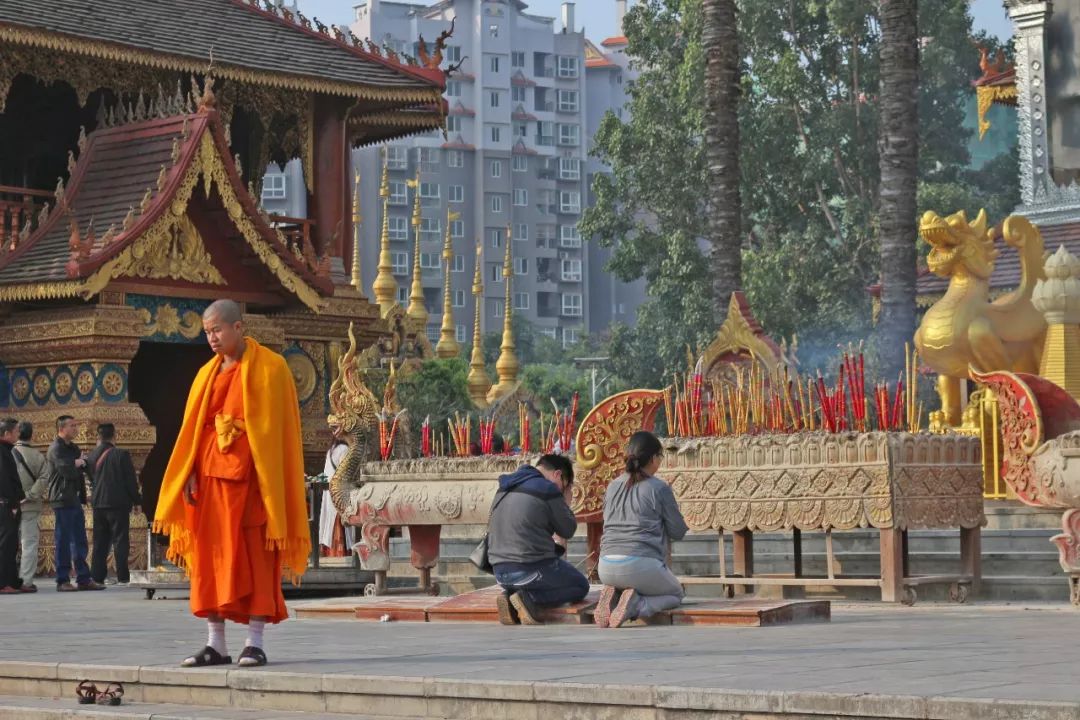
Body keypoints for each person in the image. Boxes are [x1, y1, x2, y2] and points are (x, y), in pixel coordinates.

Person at [154, 299, 310, 668]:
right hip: (210, 482)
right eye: (207, 332)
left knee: (257, 558)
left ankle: (254, 642)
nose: (211, 338)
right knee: (211, 561)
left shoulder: (272, 369)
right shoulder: (205, 375)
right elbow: (192, 432)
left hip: (255, 484)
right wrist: (190, 471)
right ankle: (216, 644)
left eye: (217, 330)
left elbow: (281, 434)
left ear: (238, 327)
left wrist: (268, 474)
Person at [595, 431, 689, 628]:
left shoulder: (612, 486)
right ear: (654, 458)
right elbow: (678, 531)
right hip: (640, 565)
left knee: (633, 583)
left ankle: (614, 597)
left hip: (605, 567)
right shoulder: (658, 488)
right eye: (660, 457)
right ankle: (638, 605)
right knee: (675, 593)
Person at [487, 453, 588, 625]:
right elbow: (567, 529)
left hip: (499, 572)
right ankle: (529, 599)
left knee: (545, 570)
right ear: (557, 475)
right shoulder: (547, 488)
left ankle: (511, 597)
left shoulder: (505, 486)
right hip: (529, 569)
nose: (564, 490)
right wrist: (565, 502)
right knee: (580, 585)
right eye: (566, 486)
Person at [47, 415, 104, 592]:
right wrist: (77, 462)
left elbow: (83, 465)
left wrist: (81, 462)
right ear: (62, 429)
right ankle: (62, 579)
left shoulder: (73, 447)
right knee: (63, 539)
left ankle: (83, 578)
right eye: (72, 426)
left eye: (76, 425)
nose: (75, 428)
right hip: (62, 498)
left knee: (79, 539)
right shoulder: (56, 448)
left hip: (74, 497)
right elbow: (67, 470)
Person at [88, 423, 142, 586]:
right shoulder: (121, 454)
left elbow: (92, 479)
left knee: (100, 541)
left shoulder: (92, 456)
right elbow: (130, 481)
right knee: (120, 539)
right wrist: (137, 501)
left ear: (99, 437)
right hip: (118, 503)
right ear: (114, 436)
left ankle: (97, 576)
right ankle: (123, 576)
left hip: (98, 503)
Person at [13, 422, 48, 593]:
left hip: (8, 505)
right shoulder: (37, 456)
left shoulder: (8, 453)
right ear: (31, 435)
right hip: (30, 506)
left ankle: (8, 578)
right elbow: (44, 478)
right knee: (29, 543)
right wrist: (29, 495)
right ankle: (26, 580)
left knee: (7, 543)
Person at [317, 429, 354, 557]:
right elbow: (346, 473)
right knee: (340, 521)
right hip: (339, 492)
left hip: (329, 493)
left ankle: (330, 552)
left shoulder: (330, 450)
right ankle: (342, 553)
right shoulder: (344, 449)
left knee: (331, 521)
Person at [0, 418, 24, 594]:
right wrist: (12, 503)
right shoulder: (1, 451)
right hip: (5, 504)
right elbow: (4, 480)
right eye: (16, 431)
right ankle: (3, 583)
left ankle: (12, 581)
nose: (18, 434)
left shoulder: (6, 450)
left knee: (12, 544)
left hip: (8, 503)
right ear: (7, 433)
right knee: (5, 545)